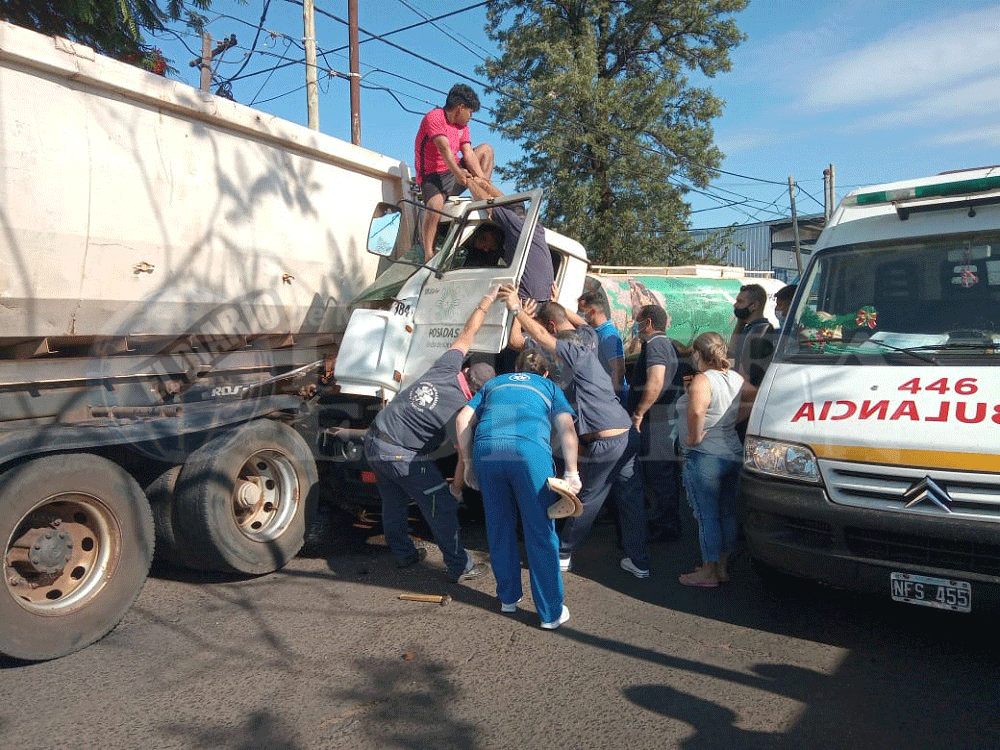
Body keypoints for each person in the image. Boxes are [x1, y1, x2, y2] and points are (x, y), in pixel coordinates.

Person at [501, 287, 651, 578]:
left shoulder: (572, 350)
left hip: (608, 441)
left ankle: (563, 553)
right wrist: (553, 300)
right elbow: (578, 323)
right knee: (629, 499)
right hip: (627, 435)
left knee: (589, 499)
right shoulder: (590, 342)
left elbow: (544, 337)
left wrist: (516, 309)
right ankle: (639, 561)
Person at [363, 287, 499, 584]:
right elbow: (463, 456)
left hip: (374, 440)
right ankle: (460, 567)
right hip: (403, 455)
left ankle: (404, 554)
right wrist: (457, 490)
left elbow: (467, 333)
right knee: (442, 506)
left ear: (466, 370)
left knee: (394, 502)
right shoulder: (464, 413)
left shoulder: (447, 367)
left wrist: (487, 299)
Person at [455, 348, 580, 630]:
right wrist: (572, 472)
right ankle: (550, 613)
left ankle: (508, 598)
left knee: (499, 526)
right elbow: (566, 429)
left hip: (487, 450)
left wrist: (469, 463)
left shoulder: (494, 384)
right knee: (539, 532)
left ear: (514, 367)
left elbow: (463, 419)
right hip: (527, 452)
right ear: (545, 372)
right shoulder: (548, 386)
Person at [675, 332, 748, 587]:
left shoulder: (702, 380)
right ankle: (721, 567)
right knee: (727, 512)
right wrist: (730, 421)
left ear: (697, 353)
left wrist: (694, 437)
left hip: (706, 454)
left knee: (707, 515)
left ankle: (708, 571)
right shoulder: (736, 377)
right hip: (732, 452)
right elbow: (754, 398)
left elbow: (696, 410)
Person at [414, 83, 494, 261]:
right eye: (470, 112)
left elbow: (468, 153)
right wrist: (459, 174)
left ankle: (483, 199)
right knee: (435, 207)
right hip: (432, 177)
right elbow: (445, 150)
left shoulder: (463, 127)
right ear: (460, 108)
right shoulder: (434, 117)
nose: (470, 117)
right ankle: (428, 254)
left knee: (486, 150)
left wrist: (483, 181)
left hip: (455, 170)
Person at [627, 304, 684, 543]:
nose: (634, 326)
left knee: (660, 474)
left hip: (657, 421)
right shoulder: (664, 343)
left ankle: (667, 524)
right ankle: (665, 519)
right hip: (662, 419)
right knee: (661, 473)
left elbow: (656, 381)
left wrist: (639, 412)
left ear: (648, 323)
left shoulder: (657, 345)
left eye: (636, 321)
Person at [466, 178, 554, 304]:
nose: (487, 249)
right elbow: (514, 204)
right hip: (536, 300)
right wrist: (485, 185)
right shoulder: (532, 229)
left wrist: (468, 181)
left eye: (484, 240)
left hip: (527, 302)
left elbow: (488, 203)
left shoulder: (517, 226)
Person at [729, 283, 775, 440]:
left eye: (740, 302)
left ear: (754, 305)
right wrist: (740, 322)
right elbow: (732, 350)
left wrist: (735, 418)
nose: (736, 305)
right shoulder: (748, 328)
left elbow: (746, 375)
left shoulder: (760, 332)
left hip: (748, 405)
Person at [576, 289, 627, 403]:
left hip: (610, 401)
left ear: (592, 311)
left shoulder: (609, 335)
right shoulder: (593, 330)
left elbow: (618, 369)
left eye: (581, 311)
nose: (578, 315)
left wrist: (611, 400)